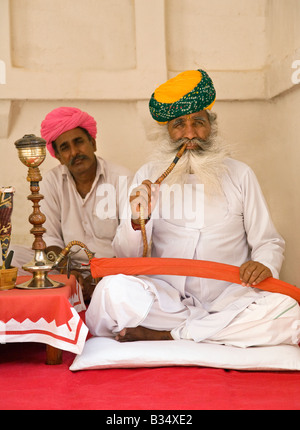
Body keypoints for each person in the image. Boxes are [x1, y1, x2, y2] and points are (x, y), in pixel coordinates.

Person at [86, 69, 300, 347]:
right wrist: (138, 221)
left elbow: (268, 241)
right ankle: (210, 333)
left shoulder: (240, 175)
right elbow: (126, 257)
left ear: (211, 126)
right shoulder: (147, 176)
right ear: (167, 132)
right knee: (110, 293)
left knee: (287, 311)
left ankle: (170, 336)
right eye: (179, 124)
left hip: (231, 299)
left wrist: (264, 264)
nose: (189, 134)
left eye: (198, 122)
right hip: (167, 301)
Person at [12, 107, 132, 302]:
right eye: (65, 148)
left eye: (79, 142)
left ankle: (85, 294)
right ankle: (64, 293)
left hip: (112, 271)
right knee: (12, 255)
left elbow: (131, 245)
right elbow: (48, 238)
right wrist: (68, 272)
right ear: (58, 156)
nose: (75, 152)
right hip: (65, 267)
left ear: (93, 143)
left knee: (131, 279)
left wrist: (103, 276)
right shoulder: (50, 182)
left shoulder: (122, 179)